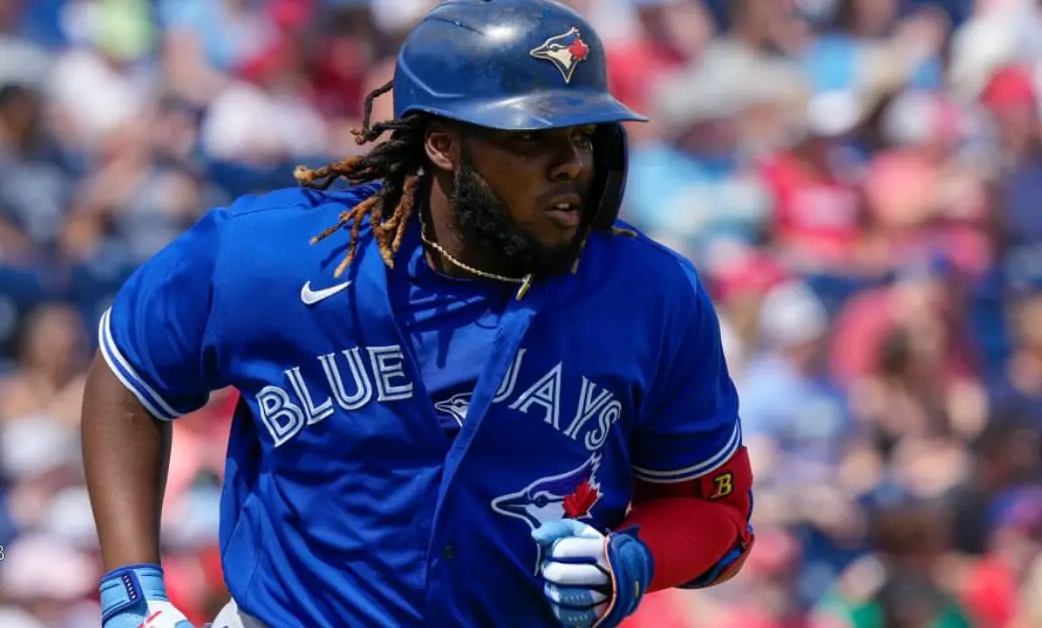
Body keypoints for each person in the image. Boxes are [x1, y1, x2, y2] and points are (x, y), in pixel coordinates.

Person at [81, 1, 755, 626]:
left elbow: (715, 509)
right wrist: (132, 591)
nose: (571, 165)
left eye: (583, 136)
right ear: (442, 144)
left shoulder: (650, 293)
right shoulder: (273, 256)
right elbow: (128, 375)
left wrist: (631, 561)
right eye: (532, 137)